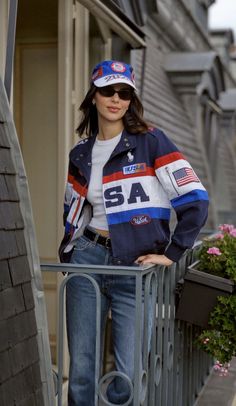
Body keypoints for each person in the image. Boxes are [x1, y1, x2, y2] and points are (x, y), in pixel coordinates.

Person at [59, 60, 209, 405]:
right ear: (93, 96)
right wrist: (70, 251)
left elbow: (196, 199)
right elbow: (75, 212)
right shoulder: (80, 153)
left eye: (124, 92)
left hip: (134, 268)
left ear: (131, 99)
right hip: (87, 259)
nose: (116, 98)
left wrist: (171, 253)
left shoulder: (151, 142)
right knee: (81, 369)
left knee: (127, 376)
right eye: (108, 91)